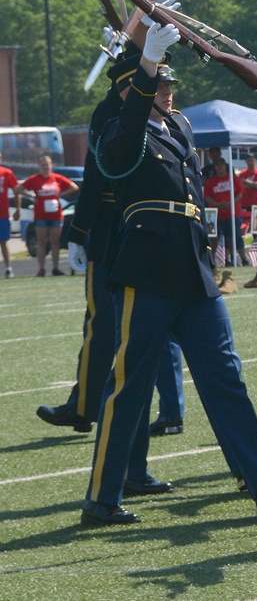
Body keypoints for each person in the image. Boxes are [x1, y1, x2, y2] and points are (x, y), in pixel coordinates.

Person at [87, 22, 257, 525]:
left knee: (225, 376)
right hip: (147, 267)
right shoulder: (119, 130)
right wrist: (142, 60)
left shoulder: (179, 130)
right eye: (160, 84)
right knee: (129, 386)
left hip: (192, 268)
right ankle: (102, 498)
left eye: (170, 84)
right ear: (132, 88)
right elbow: (120, 138)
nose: (170, 92)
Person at [37, 44, 185, 439]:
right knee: (152, 327)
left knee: (109, 326)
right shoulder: (137, 117)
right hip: (131, 233)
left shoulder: (118, 117)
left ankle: (86, 408)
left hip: (114, 235)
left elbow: (95, 177)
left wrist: (80, 230)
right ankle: (166, 411)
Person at [15, 154, 78, 276]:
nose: (45, 167)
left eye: (47, 165)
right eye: (43, 165)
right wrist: (31, 196)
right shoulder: (34, 179)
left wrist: (60, 195)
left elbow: (74, 187)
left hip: (56, 215)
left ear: (51, 165)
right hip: (41, 215)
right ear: (39, 166)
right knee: (42, 242)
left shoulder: (57, 178)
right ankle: (41, 268)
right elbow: (18, 189)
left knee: (55, 242)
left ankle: (55, 268)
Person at [203, 158, 247, 266]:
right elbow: (207, 197)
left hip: (233, 213)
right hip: (216, 215)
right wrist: (217, 204)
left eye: (222, 165)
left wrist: (230, 203)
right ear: (215, 167)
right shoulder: (211, 181)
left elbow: (240, 193)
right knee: (213, 238)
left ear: (225, 166)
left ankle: (239, 259)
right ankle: (212, 261)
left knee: (233, 236)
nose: (220, 167)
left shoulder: (234, 179)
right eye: (217, 165)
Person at [0, 151, 20, 278]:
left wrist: (18, 208)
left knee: (4, 241)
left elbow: (17, 189)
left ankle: (8, 268)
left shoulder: (6, 172)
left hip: (2, 213)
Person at [238, 154, 257, 221]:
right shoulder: (242, 173)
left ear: (256, 161)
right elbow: (240, 186)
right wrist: (253, 185)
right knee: (244, 221)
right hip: (244, 202)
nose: (250, 162)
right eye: (248, 160)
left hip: (256, 202)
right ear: (246, 162)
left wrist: (246, 181)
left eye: (252, 160)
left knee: (256, 221)